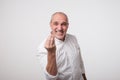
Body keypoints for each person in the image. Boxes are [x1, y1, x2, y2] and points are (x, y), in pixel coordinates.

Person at [37, 12, 87, 80]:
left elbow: (80, 64)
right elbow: (51, 78)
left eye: (63, 24)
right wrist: (51, 53)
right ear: (50, 25)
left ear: (67, 25)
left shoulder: (73, 38)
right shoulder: (42, 47)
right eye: (56, 24)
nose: (60, 28)